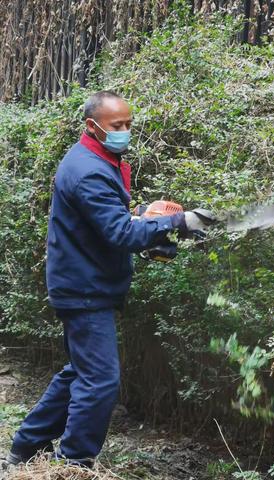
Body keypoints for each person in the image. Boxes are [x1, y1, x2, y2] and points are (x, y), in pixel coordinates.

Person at [2, 91, 210, 469]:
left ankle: (25, 447)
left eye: (129, 124)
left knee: (81, 372)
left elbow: (111, 225)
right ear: (92, 126)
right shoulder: (88, 171)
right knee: (100, 381)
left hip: (85, 282)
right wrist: (176, 222)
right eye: (118, 126)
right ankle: (73, 465)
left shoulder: (100, 158)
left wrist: (150, 232)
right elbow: (119, 233)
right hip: (84, 290)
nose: (125, 132)